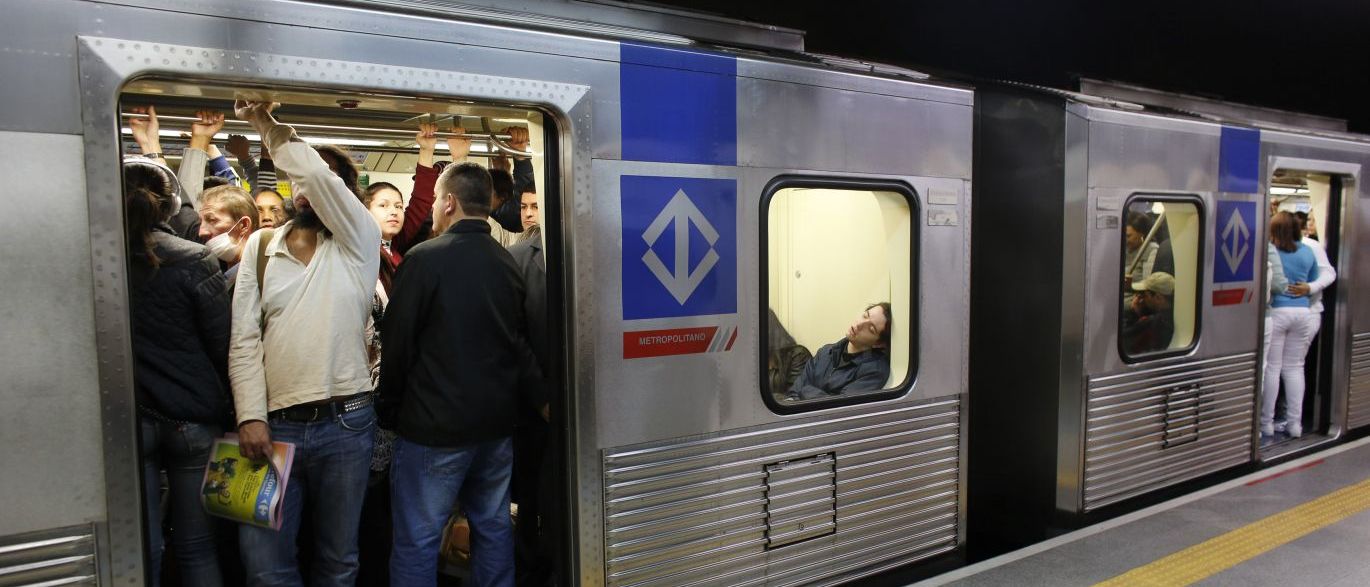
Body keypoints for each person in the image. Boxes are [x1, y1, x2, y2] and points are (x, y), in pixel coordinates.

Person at [228, 100, 380, 586]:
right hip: (273, 428)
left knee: (338, 562)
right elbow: (245, 339)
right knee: (265, 565)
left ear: (343, 195)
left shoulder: (358, 240)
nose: (307, 191)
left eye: (324, 185)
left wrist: (266, 126)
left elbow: (317, 175)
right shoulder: (259, 248)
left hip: (347, 421)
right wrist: (250, 415)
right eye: (300, 184)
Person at [379, 162, 547, 587]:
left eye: (435, 199)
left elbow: (398, 345)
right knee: (492, 528)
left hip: (434, 429)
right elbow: (516, 339)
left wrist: (390, 409)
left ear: (449, 202)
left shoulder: (423, 260)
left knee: (418, 538)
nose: (434, 208)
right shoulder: (507, 261)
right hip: (495, 428)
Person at [124, 158, 232, 587]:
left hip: (132, 421)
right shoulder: (195, 259)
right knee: (196, 545)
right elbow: (221, 344)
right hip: (192, 419)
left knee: (142, 541)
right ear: (170, 207)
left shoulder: (100, 255)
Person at [1262, 211, 1320, 439]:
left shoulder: (1272, 250)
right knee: (1295, 368)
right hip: (1303, 311)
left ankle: (1266, 423)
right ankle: (1295, 425)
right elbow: (1313, 280)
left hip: (1278, 310)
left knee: (1273, 368)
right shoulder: (1307, 251)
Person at [787, 303, 892, 400]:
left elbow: (838, 409)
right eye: (865, 315)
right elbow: (794, 392)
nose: (859, 324)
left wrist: (806, 391)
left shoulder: (875, 370)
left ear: (878, 344)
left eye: (871, 328)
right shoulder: (825, 352)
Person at [198, 184, 259, 287]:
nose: (201, 232)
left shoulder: (259, 278)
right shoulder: (219, 277)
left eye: (212, 220)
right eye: (200, 222)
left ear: (243, 225)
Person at [1121, 272, 1175, 355]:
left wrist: (1134, 314)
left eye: (1144, 295)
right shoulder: (1174, 315)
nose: (1139, 297)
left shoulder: (1152, 323)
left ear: (1158, 298)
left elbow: (1122, 341)